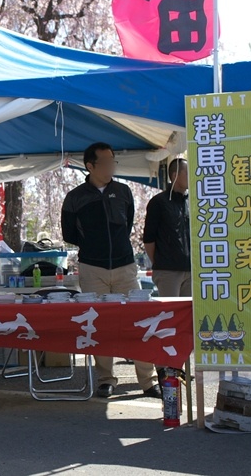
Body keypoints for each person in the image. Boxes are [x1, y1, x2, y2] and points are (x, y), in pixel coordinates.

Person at [61, 142, 160, 398]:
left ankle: (148, 381)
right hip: (92, 267)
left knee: (138, 321)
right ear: (90, 166)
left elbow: (126, 225)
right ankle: (106, 378)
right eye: (105, 162)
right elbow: (69, 234)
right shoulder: (75, 197)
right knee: (99, 325)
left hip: (125, 265)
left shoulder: (124, 191)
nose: (110, 167)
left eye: (112, 161)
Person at [143, 158, 191, 297]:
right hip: (168, 271)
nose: (191, 176)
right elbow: (148, 239)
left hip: (191, 270)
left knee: (190, 313)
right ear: (175, 175)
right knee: (171, 313)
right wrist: (160, 263)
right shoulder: (159, 202)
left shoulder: (192, 202)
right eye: (187, 173)